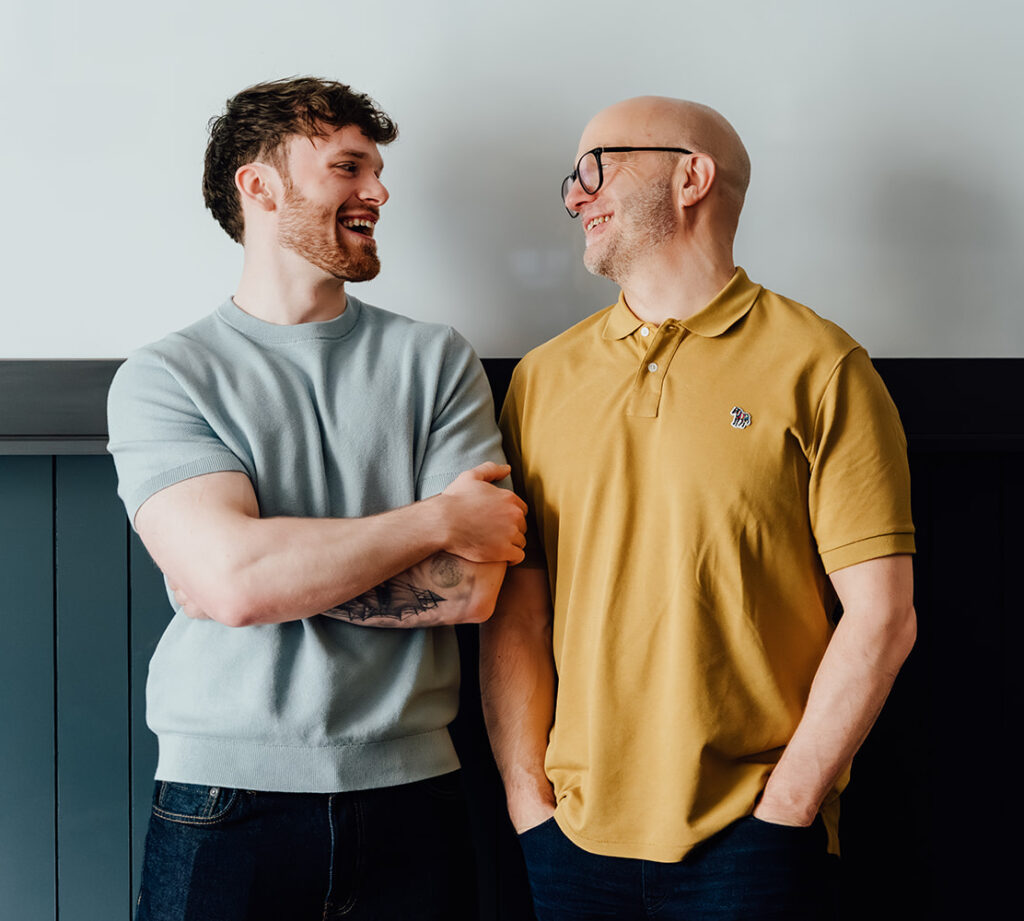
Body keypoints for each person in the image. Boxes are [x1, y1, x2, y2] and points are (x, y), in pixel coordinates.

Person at [480, 96, 917, 921]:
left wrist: (788, 805)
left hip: (752, 844)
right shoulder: (540, 380)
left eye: (596, 167)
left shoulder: (822, 368)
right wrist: (525, 796)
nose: (575, 196)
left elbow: (884, 618)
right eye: (571, 178)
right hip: (568, 841)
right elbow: (519, 608)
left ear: (691, 177)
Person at [107, 77, 527, 921]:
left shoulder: (435, 360)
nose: (376, 192)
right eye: (347, 167)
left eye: (376, 171)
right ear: (259, 187)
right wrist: (438, 519)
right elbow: (232, 584)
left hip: (417, 791)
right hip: (223, 798)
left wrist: (264, 579)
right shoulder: (166, 377)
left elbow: (471, 587)